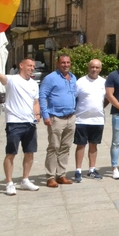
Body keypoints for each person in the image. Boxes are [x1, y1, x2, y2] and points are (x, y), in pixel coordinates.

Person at [0, 56, 41, 195]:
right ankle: (9, 183)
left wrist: (38, 114)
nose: (32, 68)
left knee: (30, 152)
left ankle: (25, 180)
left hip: (30, 123)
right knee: (11, 153)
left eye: (33, 66)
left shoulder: (34, 84)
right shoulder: (12, 80)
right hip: (14, 122)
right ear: (21, 65)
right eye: (29, 65)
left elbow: (35, 102)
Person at [38, 54, 77, 188]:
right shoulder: (50, 78)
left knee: (65, 147)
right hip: (56, 118)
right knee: (54, 147)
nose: (66, 65)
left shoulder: (72, 77)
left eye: (68, 62)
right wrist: (45, 115)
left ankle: (61, 175)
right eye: (63, 63)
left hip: (70, 117)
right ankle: (50, 177)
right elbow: (42, 97)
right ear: (57, 63)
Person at [73, 59, 107, 182]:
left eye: (97, 67)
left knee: (94, 145)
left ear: (100, 69)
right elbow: (74, 98)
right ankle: (78, 170)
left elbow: (108, 98)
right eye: (92, 67)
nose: (94, 69)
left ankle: (92, 169)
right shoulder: (80, 82)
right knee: (80, 145)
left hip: (98, 120)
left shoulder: (104, 82)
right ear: (88, 67)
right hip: (82, 120)